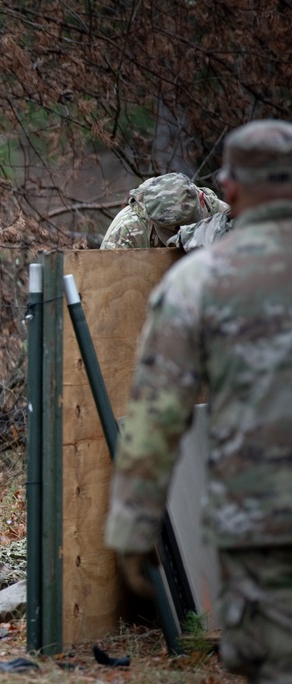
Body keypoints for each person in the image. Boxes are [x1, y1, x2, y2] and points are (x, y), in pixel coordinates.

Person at [104, 119, 292, 682]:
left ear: (229, 189)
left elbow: (156, 415)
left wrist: (132, 527)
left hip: (258, 518)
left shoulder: (199, 283)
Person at [99, 172, 228, 249]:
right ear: (151, 218)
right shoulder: (127, 231)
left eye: (189, 225)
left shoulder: (224, 217)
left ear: (201, 199)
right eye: (175, 231)